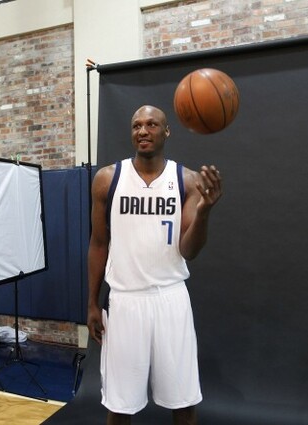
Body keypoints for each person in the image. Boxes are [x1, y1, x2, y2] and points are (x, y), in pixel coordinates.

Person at [87, 105, 222, 425]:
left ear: (167, 131)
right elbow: (98, 243)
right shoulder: (107, 179)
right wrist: (92, 302)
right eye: (136, 125)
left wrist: (203, 213)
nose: (143, 131)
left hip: (170, 299)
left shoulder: (187, 180)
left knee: (184, 402)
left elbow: (189, 250)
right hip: (125, 300)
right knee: (120, 405)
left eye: (151, 124)